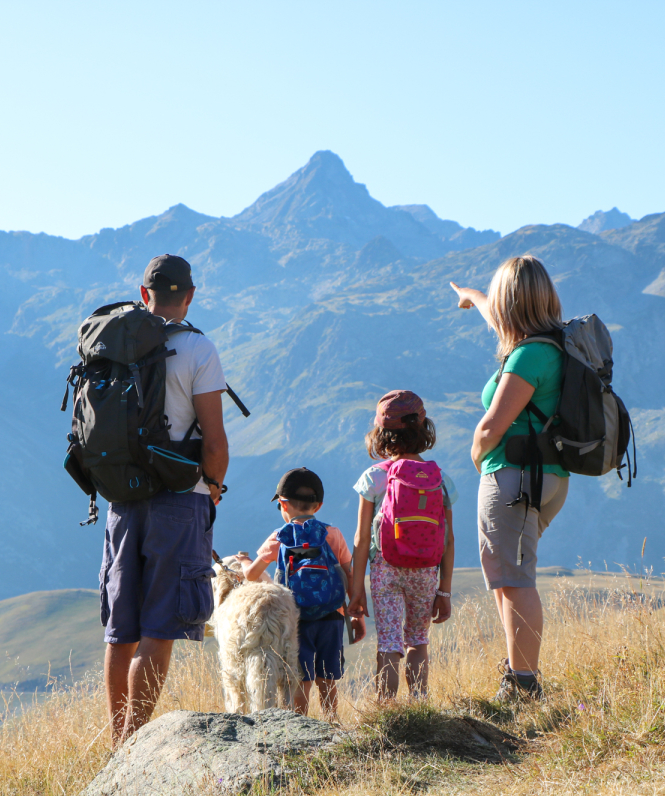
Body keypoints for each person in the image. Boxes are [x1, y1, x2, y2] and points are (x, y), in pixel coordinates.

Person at [102, 254, 229, 745]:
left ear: (142, 293)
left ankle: (117, 745)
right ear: (190, 296)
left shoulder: (113, 346)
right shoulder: (198, 349)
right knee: (159, 624)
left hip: (121, 498)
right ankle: (137, 746)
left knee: (121, 627)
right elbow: (214, 442)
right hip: (180, 498)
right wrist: (212, 486)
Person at [450, 255, 569, 701]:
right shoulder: (554, 345)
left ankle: (524, 686)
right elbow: (495, 317)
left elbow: (491, 426)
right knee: (506, 575)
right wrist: (473, 297)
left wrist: (478, 457)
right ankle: (517, 675)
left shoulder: (527, 355)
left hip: (514, 475)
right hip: (547, 476)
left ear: (510, 302)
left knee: (515, 579)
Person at [348, 391, 456, 700]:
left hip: (386, 569)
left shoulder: (373, 477)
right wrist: (444, 590)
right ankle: (419, 705)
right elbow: (448, 538)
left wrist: (357, 590)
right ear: (425, 429)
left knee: (390, 642)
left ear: (381, 434)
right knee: (418, 640)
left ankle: (387, 711)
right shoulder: (439, 479)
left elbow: (361, 538)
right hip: (426, 571)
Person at [237, 468, 366, 716]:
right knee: (327, 679)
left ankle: (300, 728)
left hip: (295, 619)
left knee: (300, 679)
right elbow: (349, 576)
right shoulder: (332, 534)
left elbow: (252, 575)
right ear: (318, 506)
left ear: (283, 505)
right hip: (332, 616)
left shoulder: (279, 537)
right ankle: (332, 725)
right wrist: (355, 614)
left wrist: (243, 560)